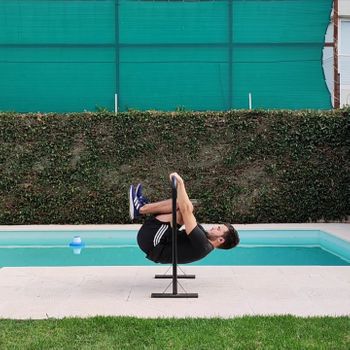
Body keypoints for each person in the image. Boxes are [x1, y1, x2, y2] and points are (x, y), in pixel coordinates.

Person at [129, 172, 240, 264]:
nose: (215, 226)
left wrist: (180, 183)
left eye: (219, 229)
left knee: (185, 208)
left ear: (220, 240)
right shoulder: (204, 238)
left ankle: (140, 209)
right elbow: (187, 213)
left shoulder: (202, 244)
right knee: (183, 208)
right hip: (162, 240)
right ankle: (141, 208)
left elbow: (186, 209)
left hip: (152, 243)